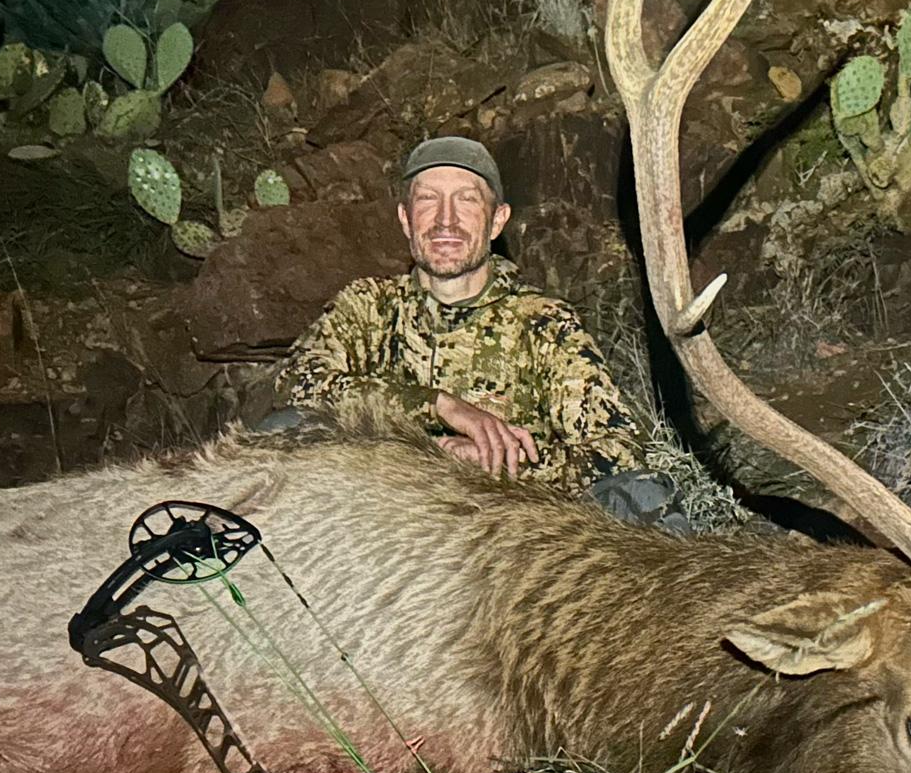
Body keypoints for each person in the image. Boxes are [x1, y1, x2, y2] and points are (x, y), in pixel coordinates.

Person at [275, 136, 656, 501]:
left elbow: (618, 448)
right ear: (406, 219)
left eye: (467, 200)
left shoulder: (543, 323)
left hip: (500, 532)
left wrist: (500, 464)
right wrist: (439, 406)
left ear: (497, 220)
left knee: (644, 494)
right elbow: (296, 385)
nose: (445, 219)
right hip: (378, 517)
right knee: (278, 433)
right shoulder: (367, 306)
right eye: (428, 199)